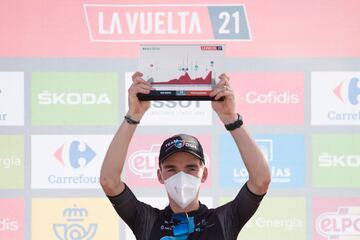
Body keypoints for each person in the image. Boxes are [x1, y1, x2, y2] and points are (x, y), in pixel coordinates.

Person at [100, 72, 271, 239]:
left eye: (190, 168)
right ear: (160, 175)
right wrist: (133, 116)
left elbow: (260, 180)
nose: (181, 176)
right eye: (172, 169)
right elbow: (109, 181)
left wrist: (230, 118)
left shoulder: (223, 220)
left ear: (204, 174)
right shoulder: (148, 221)